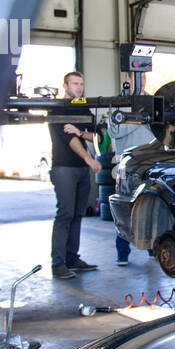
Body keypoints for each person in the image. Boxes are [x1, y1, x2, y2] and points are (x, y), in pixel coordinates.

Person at [48, 70, 101, 279]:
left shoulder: (84, 108)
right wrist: (89, 159)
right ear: (65, 85)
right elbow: (67, 139)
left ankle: (72, 258)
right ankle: (58, 264)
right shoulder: (55, 110)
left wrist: (80, 132)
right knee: (65, 214)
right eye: (75, 84)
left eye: (81, 84)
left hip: (81, 170)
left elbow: (97, 136)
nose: (79, 87)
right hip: (64, 169)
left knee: (78, 214)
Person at [105, 72, 157, 264]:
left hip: (152, 164)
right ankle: (122, 253)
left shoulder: (154, 101)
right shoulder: (119, 103)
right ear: (128, 80)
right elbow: (114, 130)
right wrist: (140, 117)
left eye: (143, 77)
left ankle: (153, 248)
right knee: (127, 209)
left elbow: (160, 129)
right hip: (128, 165)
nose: (141, 81)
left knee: (152, 207)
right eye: (136, 77)